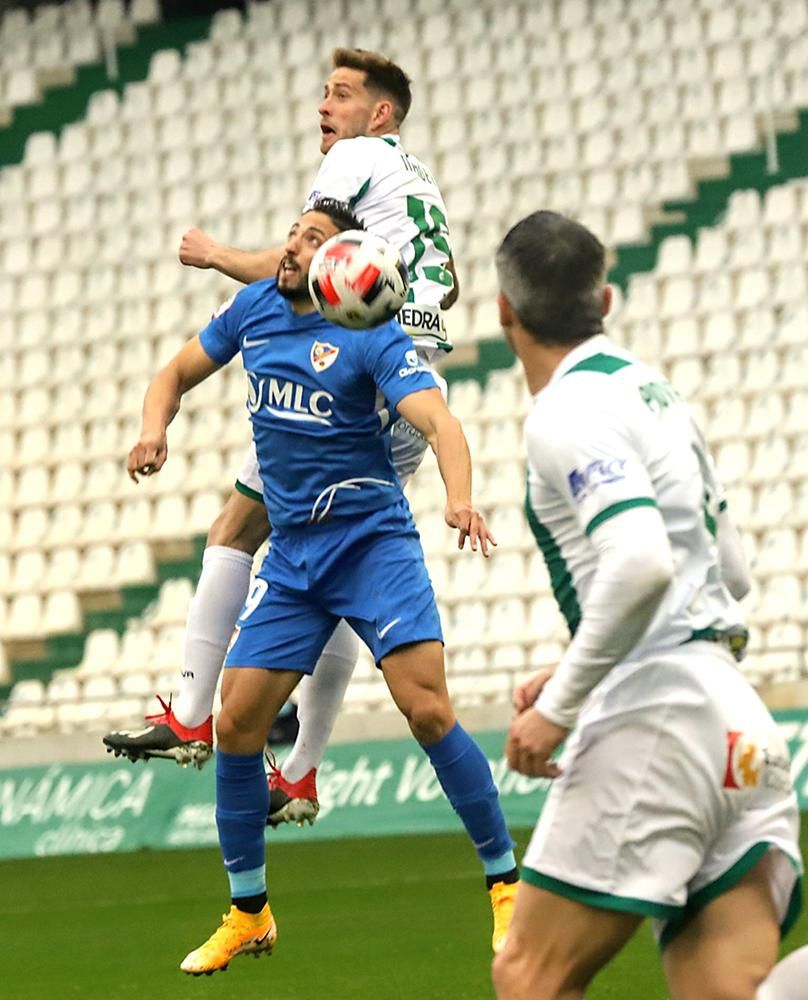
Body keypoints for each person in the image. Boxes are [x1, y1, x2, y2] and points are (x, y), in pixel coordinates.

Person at [125, 200, 518, 974]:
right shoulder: (254, 308)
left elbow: (440, 423)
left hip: (372, 543)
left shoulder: (369, 333)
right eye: (294, 232)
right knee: (236, 726)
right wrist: (153, 426)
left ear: (339, 264)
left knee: (428, 709)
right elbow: (173, 373)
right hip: (297, 555)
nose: (293, 246)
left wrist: (459, 495)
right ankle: (249, 912)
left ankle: (506, 885)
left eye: (312, 239)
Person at [104, 48, 460, 826]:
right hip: (405, 367)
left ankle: (194, 715)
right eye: (322, 93)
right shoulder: (415, 180)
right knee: (335, 561)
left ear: (381, 115)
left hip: (358, 365)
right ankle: (299, 771)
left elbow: (301, 261)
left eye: (340, 94)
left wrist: (215, 256)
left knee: (236, 524)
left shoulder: (359, 159)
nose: (323, 107)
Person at [490, 210, 803, 1000]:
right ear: (608, 301)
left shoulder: (564, 412)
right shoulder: (653, 391)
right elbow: (728, 570)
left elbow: (639, 563)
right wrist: (578, 662)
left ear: (504, 312)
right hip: (738, 723)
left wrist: (560, 704)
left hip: (658, 715)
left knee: (530, 973)